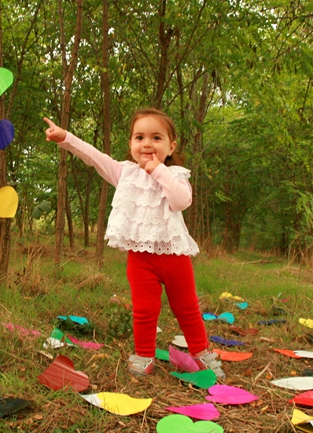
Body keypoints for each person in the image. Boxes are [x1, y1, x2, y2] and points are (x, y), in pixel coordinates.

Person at [43, 108, 225, 379]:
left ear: (171, 146)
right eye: (139, 137)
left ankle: (201, 353)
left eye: (156, 138)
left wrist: (158, 170)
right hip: (141, 260)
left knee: (186, 308)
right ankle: (143, 355)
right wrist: (64, 137)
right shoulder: (124, 173)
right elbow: (93, 156)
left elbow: (180, 201)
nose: (147, 144)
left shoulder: (176, 175)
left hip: (174, 257)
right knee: (144, 310)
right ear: (130, 144)